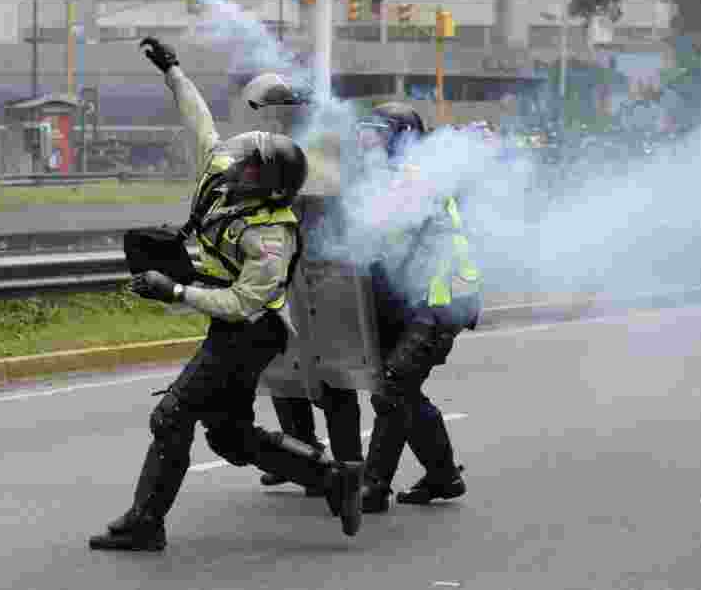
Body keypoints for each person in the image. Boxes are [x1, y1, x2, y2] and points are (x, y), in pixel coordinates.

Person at [89, 38, 365, 552]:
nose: (235, 165)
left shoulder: (271, 236)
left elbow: (243, 304)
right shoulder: (224, 174)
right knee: (229, 435)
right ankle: (332, 476)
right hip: (232, 324)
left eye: (250, 167)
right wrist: (173, 70)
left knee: (171, 416)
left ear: (270, 186)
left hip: (253, 332)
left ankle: (146, 522)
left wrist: (173, 290)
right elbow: (198, 120)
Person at [239, 74, 365, 496]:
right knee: (281, 367)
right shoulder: (277, 149)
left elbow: (305, 207)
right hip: (284, 275)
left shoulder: (322, 149)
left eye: (278, 111)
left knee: (331, 375)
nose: (272, 119)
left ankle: (349, 464)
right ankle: (302, 457)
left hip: (323, 275)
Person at [355, 103, 482, 514]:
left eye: (379, 134)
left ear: (401, 138)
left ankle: (372, 487)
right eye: (367, 132)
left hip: (442, 302)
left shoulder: (418, 177)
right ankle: (444, 476)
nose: (369, 141)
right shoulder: (386, 178)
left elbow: (381, 228)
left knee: (392, 388)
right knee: (403, 390)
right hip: (415, 298)